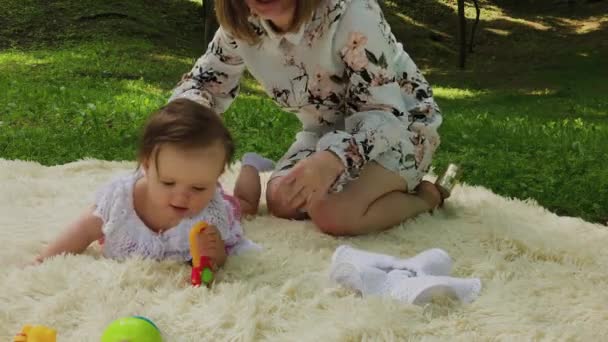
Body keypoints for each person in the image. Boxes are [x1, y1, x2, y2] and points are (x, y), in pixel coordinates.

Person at [170, 0, 453, 236]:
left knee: (334, 213)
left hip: (401, 125)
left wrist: (333, 159)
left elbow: (385, 112)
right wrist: (177, 131)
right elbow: (203, 85)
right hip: (326, 130)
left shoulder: (352, 12)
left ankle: (428, 197)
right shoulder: (243, 20)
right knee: (283, 199)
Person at [35, 98, 273, 269]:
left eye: (199, 187)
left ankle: (250, 165)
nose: (181, 198)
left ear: (217, 176)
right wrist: (42, 260)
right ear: (147, 166)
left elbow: (219, 258)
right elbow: (85, 229)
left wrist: (212, 253)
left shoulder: (211, 212)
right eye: (168, 182)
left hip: (228, 206)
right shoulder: (120, 202)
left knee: (246, 206)